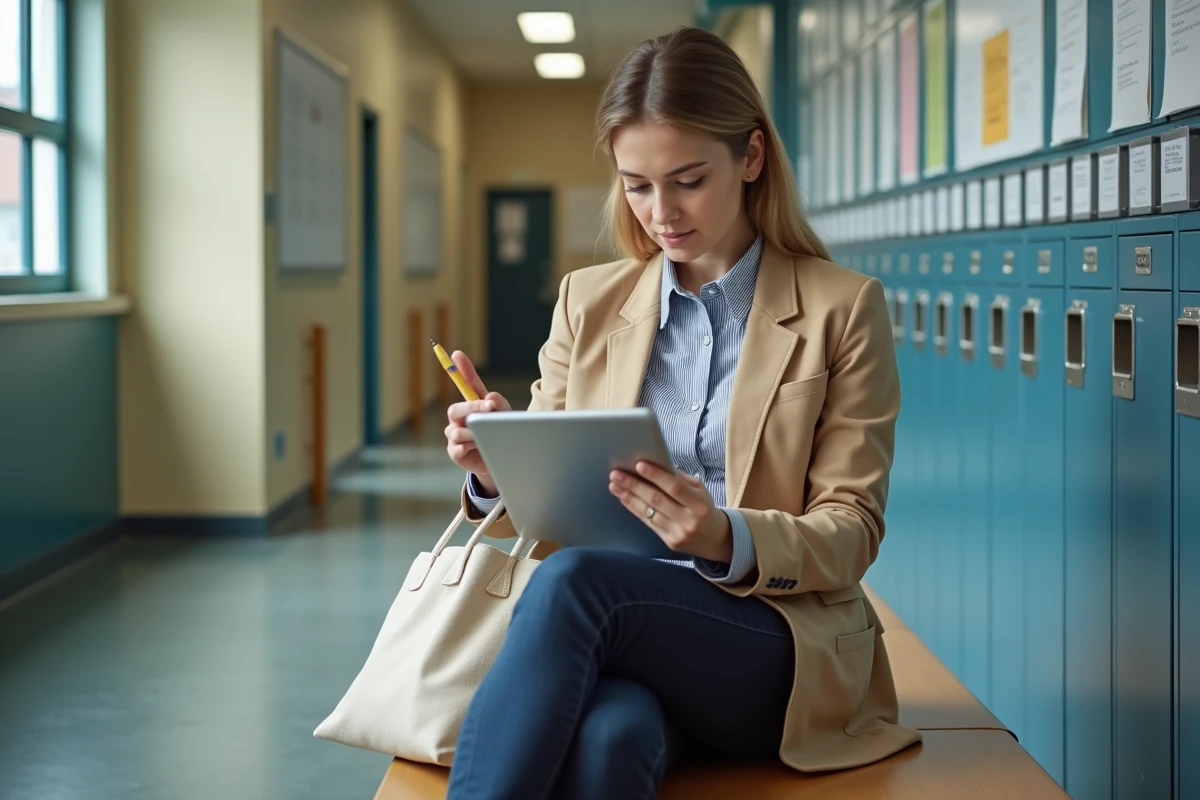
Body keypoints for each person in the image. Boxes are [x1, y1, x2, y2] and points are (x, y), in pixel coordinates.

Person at [440, 25, 920, 800]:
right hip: (623, 635)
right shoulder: (587, 304)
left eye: (688, 179)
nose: (661, 211)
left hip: (772, 638)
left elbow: (853, 528)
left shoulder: (842, 308)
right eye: (636, 184)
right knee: (610, 742)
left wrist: (723, 534)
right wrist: (497, 474)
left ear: (751, 158)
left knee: (571, 581)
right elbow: (537, 510)